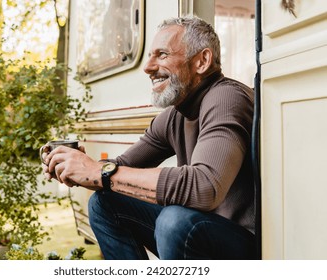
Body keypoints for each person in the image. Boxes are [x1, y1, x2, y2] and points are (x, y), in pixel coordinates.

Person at [41, 16, 256, 260]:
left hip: (245, 246)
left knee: (173, 220)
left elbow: (204, 187)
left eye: (162, 55)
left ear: (202, 61)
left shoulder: (227, 97)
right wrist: (78, 167)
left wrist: (98, 172)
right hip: (202, 231)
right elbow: (121, 168)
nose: (148, 67)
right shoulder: (175, 115)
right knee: (104, 203)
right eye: (150, 55)